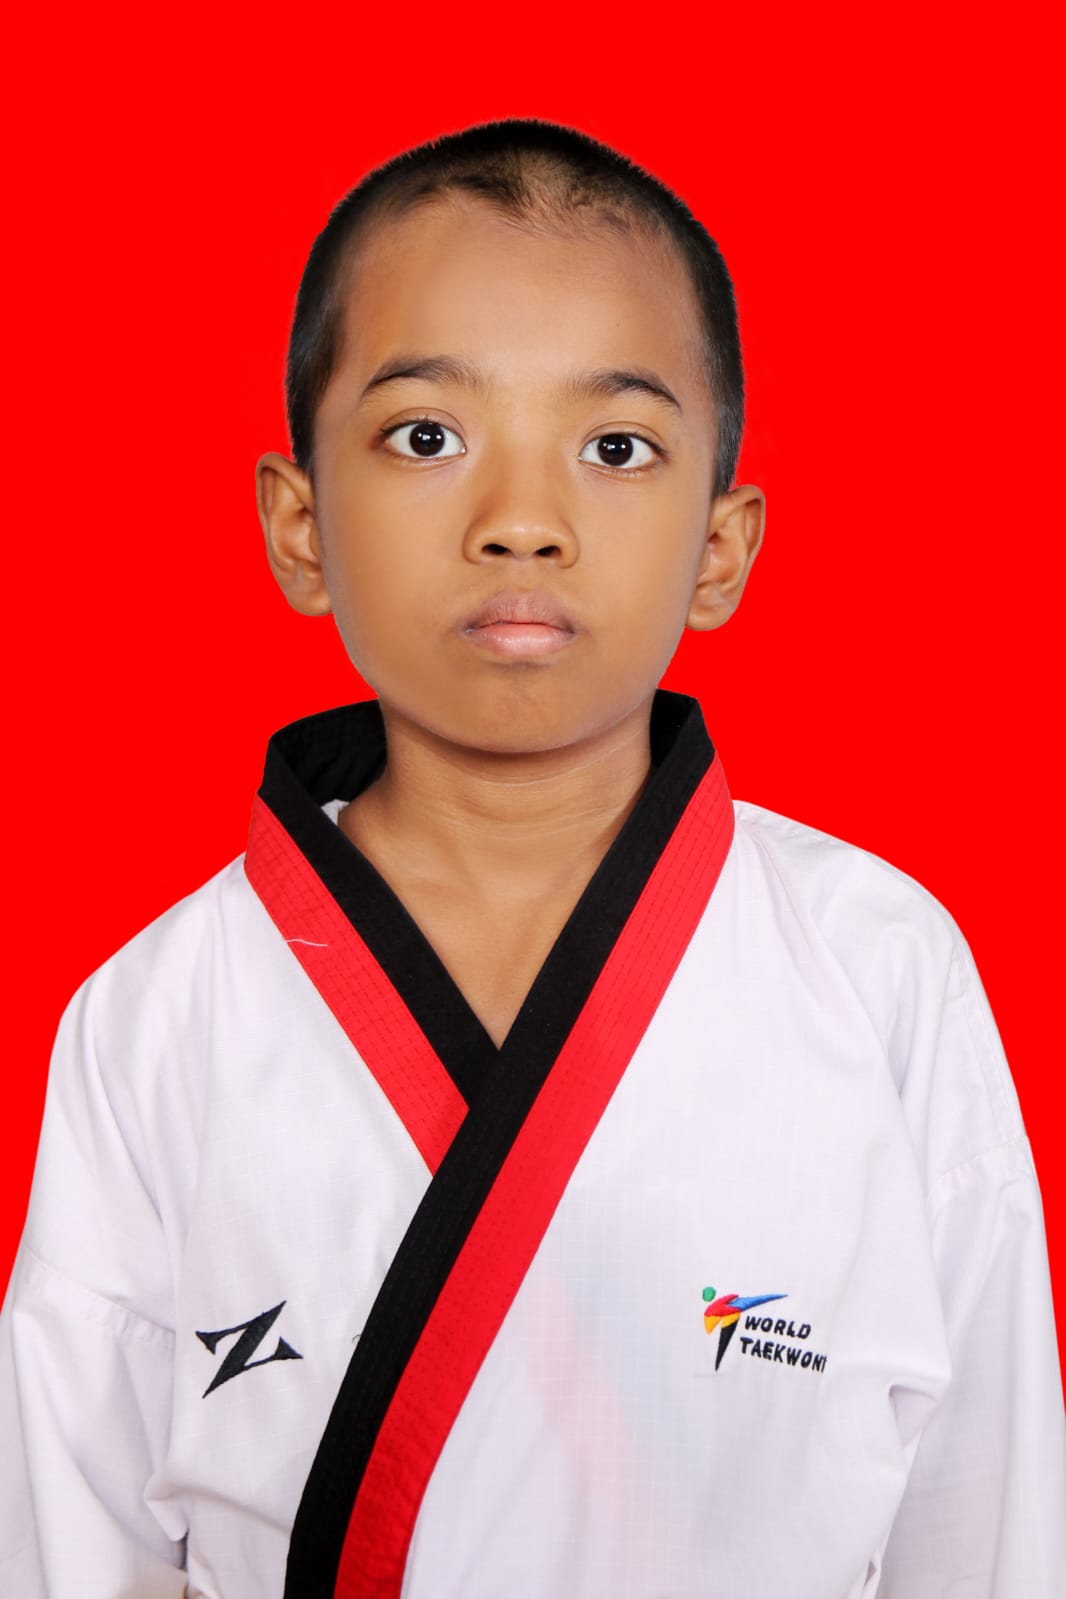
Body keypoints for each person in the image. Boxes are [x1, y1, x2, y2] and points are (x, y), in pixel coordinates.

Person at [0, 118, 1062, 1599]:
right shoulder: (154, 1017)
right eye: (426, 437)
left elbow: (990, 1523)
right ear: (299, 528)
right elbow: (67, 1540)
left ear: (720, 548)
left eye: (615, 448)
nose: (519, 523)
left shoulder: (879, 968)